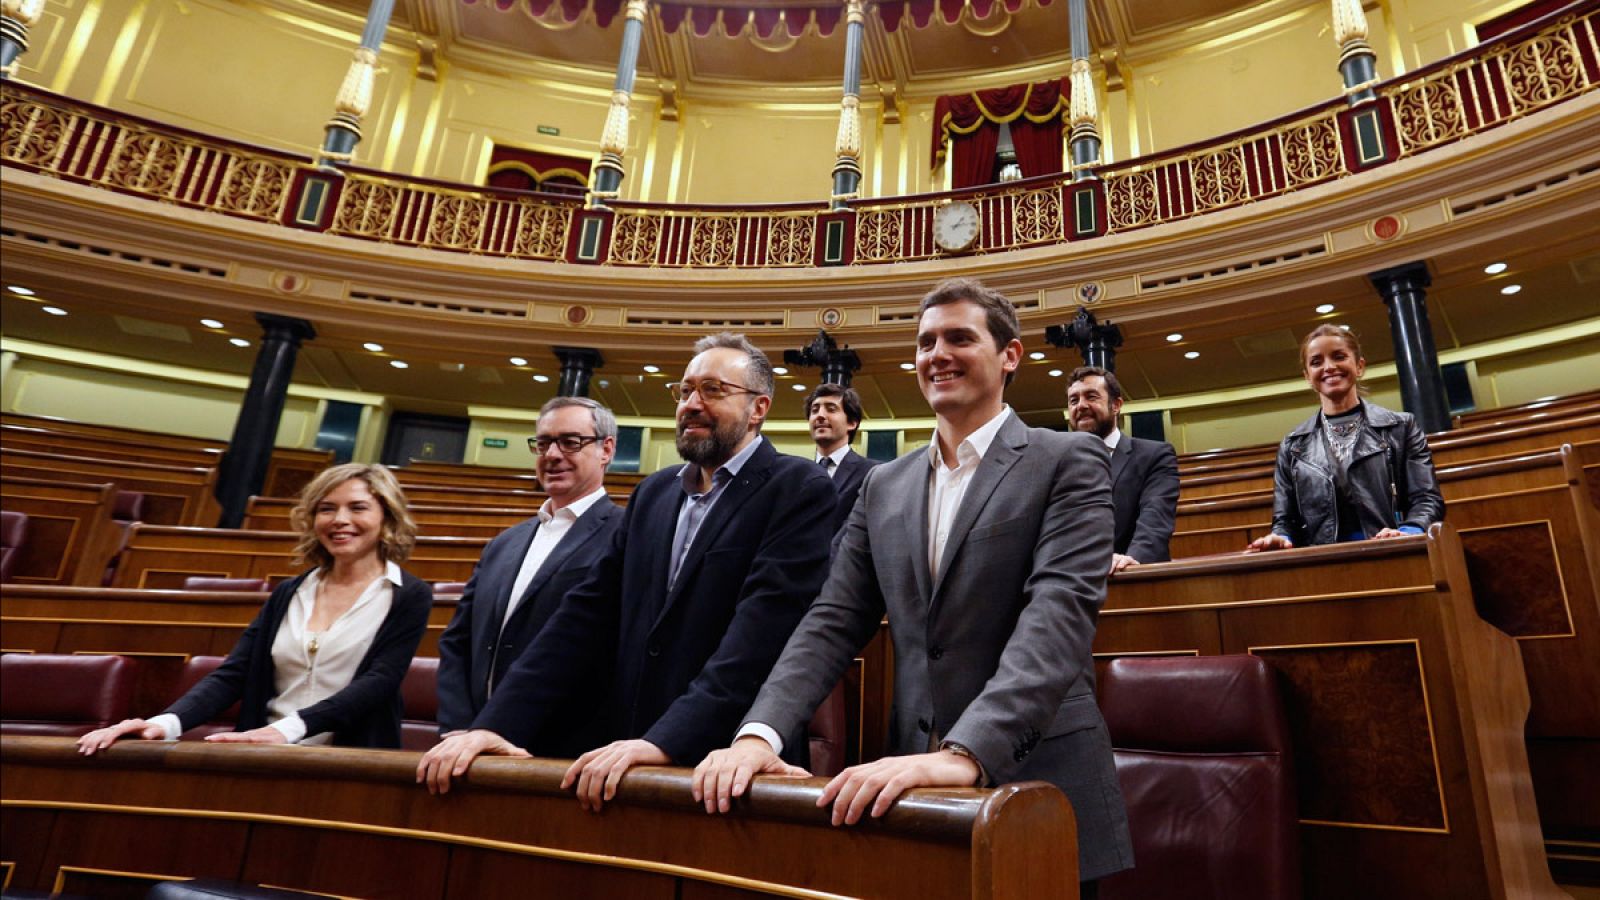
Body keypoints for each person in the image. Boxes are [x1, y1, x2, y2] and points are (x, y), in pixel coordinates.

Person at [692, 278, 1134, 891]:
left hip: (1041, 779)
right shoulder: (883, 485)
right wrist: (758, 734)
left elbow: (1056, 619)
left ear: (1009, 355)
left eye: (959, 337)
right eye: (926, 342)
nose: (937, 354)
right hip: (909, 783)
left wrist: (967, 753)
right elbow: (831, 618)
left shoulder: (1066, 459)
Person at [416, 332, 836, 811]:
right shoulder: (652, 494)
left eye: (713, 390)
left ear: (758, 408)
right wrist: (492, 727)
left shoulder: (797, 486)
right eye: (684, 391)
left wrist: (665, 742)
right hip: (626, 756)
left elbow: (760, 638)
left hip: (730, 764)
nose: (691, 404)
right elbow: (581, 620)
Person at [77, 464, 432, 752]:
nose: (339, 519)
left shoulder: (408, 595)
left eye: (357, 508)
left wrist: (285, 730)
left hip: (350, 762)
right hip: (263, 754)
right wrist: (164, 723)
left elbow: (379, 682)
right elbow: (235, 673)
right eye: (326, 508)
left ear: (387, 517)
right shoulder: (291, 592)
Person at [434, 397, 624, 754]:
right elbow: (457, 642)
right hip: (468, 748)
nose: (552, 454)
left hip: (561, 752)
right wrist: (461, 728)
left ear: (606, 450)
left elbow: (594, 650)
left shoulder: (626, 535)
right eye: (543, 442)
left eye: (570, 441)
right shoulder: (504, 543)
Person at [1246, 324, 1443, 551]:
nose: (1329, 367)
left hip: (1391, 552)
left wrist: (1406, 532)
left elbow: (1427, 500)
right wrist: (1280, 536)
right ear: (1307, 376)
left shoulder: (1401, 427)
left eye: (1339, 357)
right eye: (1316, 362)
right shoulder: (1292, 445)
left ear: (1359, 366)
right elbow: (1285, 520)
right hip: (1324, 560)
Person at [1066, 366, 1179, 572]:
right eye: (1074, 400)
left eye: (1091, 396)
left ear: (1116, 405)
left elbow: (1155, 519)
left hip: (1129, 578)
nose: (1081, 405)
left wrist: (1131, 559)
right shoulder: (1058, 462)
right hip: (1070, 586)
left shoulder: (1154, 456)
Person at [804, 382, 880, 534]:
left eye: (831, 409)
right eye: (815, 410)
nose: (820, 415)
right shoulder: (798, 475)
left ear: (852, 423)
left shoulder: (873, 473)